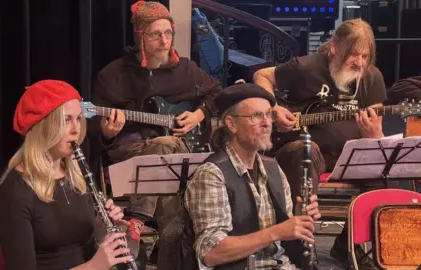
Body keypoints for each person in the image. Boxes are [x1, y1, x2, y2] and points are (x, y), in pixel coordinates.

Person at [91, 1, 221, 268]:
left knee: (167, 161)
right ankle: (160, 248)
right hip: (128, 155)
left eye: (168, 33)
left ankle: (137, 227)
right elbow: (98, 133)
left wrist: (198, 115)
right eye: (155, 34)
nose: (164, 41)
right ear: (140, 36)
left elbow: (216, 92)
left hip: (176, 154)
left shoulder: (185, 69)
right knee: (167, 157)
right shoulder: (113, 74)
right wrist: (107, 132)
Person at [253, 18, 386, 265]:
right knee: (307, 150)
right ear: (335, 47)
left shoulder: (372, 77)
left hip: (348, 156)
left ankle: (350, 244)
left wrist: (374, 136)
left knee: (386, 168)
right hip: (303, 152)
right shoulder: (307, 67)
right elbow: (261, 75)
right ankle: (302, 247)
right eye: (353, 54)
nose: (359, 63)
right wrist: (274, 108)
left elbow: (376, 127)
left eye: (365, 56)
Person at [0, 80, 133, 270]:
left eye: (78, 119)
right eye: (66, 120)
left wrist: (102, 229)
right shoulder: (16, 192)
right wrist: (94, 266)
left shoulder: (76, 175)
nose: (76, 130)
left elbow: (83, 245)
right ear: (43, 127)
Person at [184, 83, 321, 270]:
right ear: (232, 124)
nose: (267, 123)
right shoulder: (211, 174)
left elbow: (286, 239)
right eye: (256, 116)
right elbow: (211, 253)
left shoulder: (273, 168)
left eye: (269, 115)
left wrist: (297, 219)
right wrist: (277, 232)